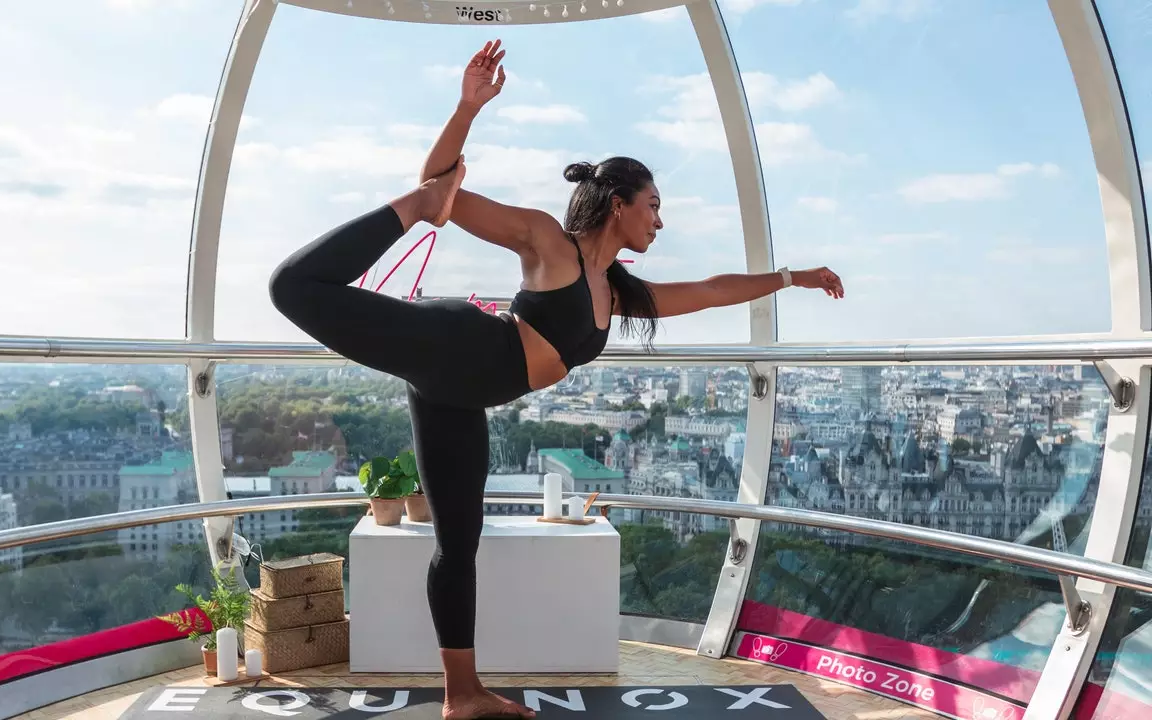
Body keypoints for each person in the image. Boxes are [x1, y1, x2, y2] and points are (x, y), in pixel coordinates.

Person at [268, 39, 844, 720]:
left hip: (459, 393)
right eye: (653, 205)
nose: (661, 220)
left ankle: (463, 696)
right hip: (453, 342)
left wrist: (792, 277)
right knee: (295, 285)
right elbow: (442, 184)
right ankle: (399, 210)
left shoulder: (618, 291)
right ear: (618, 203)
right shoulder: (549, 243)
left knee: (460, 544)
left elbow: (714, 290)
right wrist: (466, 108)